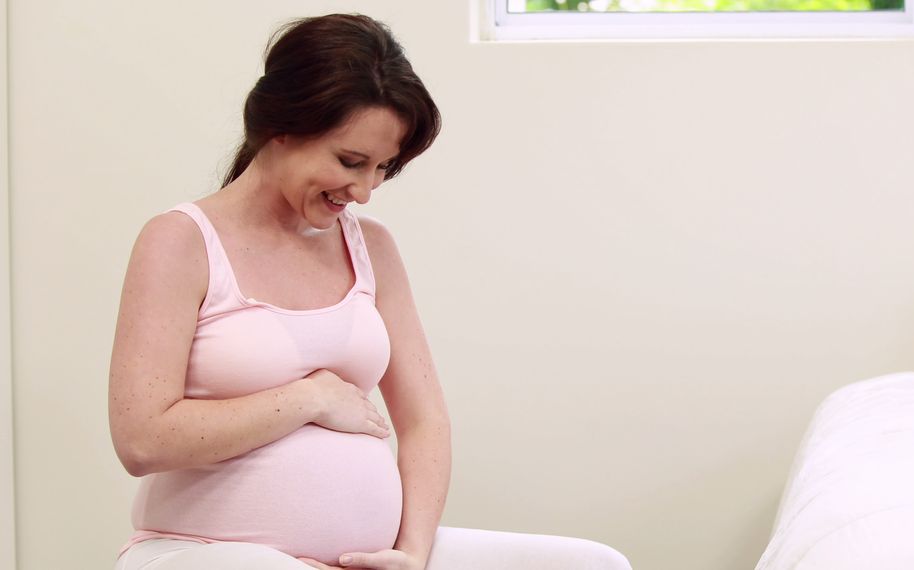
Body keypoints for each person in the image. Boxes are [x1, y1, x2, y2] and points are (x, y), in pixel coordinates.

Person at [110, 13, 632, 570]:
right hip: (206, 554)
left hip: (362, 558)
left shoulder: (371, 249)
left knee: (594, 565)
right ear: (279, 127)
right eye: (350, 161)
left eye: (385, 167)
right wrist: (309, 399)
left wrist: (409, 553)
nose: (364, 191)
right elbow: (143, 441)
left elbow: (424, 420)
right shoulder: (181, 241)